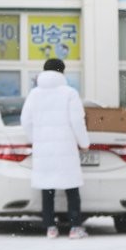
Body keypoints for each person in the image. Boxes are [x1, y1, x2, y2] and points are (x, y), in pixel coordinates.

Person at [20, 58, 90, 239]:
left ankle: (50, 227)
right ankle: (75, 227)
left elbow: (25, 121)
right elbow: (77, 121)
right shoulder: (69, 93)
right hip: (66, 146)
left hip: (43, 148)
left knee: (47, 188)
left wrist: (35, 138)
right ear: (62, 72)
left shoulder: (34, 94)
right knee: (72, 188)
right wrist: (84, 143)